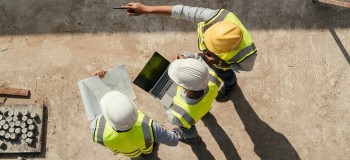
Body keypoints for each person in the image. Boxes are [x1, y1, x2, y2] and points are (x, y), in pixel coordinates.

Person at [122, 3, 257, 102]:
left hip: (222, 64)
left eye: (210, 48)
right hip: (218, 59)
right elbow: (181, 11)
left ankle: (230, 85)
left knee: (226, 75)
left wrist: (222, 63)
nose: (205, 51)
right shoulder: (216, 16)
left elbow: (245, 68)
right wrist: (146, 9)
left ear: (227, 50)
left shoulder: (247, 55)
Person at [90, 70, 181, 159]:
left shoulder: (96, 129)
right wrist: (163, 129)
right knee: (147, 153)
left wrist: (96, 82)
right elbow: (174, 140)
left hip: (130, 154)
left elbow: (95, 112)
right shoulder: (151, 127)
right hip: (146, 149)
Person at [165, 58, 222, 143]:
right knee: (202, 109)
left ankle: (191, 138)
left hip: (190, 117)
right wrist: (187, 65)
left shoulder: (180, 116)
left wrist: (166, 102)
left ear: (183, 87)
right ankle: (205, 114)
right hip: (204, 107)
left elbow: (172, 119)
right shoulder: (213, 79)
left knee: (186, 128)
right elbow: (200, 65)